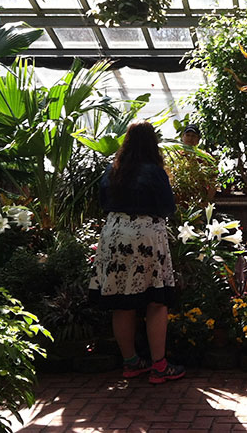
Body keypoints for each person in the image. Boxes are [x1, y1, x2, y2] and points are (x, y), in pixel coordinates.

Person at [89, 121, 185, 384]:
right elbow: (168, 207)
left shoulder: (113, 170)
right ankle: (159, 366)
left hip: (114, 233)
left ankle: (131, 363)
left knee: (121, 302)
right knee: (156, 301)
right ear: (152, 144)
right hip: (146, 234)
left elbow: (101, 202)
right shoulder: (154, 172)